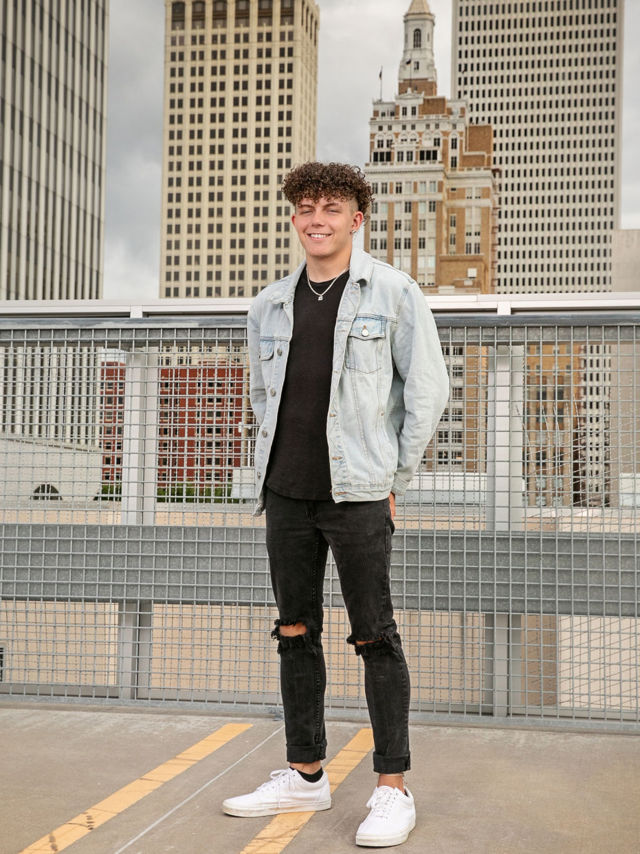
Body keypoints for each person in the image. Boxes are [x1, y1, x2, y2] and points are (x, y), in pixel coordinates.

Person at [222, 162, 449, 848]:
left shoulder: (394, 292)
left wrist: (394, 478)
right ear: (295, 218)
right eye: (305, 209)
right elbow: (263, 396)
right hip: (285, 493)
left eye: (330, 208)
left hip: (358, 494)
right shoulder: (269, 304)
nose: (316, 220)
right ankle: (305, 774)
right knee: (295, 632)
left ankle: (392, 789)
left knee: (375, 636)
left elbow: (427, 391)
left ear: (356, 218)